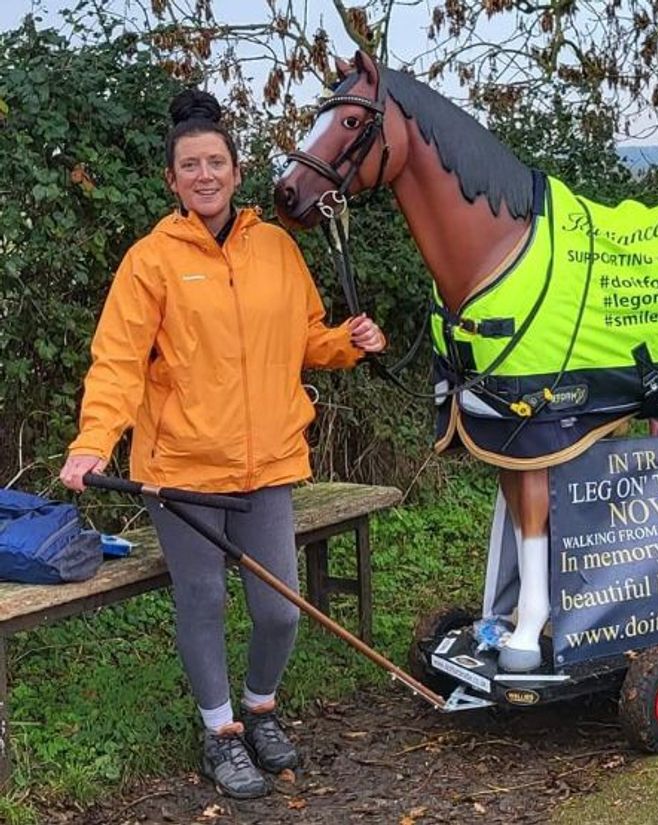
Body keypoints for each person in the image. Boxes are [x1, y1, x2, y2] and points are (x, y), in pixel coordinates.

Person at [59, 89, 386, 799]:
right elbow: (117, 361)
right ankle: (220, 731)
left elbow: (302, 339)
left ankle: (260, 707)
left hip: (267, 463)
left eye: (216, 162)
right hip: (181, 472)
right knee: (202, 601)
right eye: (190, 165)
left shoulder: (275, 248)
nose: (205, 174)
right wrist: (94, 442)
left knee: (277, 607)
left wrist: (347, 343)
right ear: (172, 180)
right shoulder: (150, 261)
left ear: (237, 172)